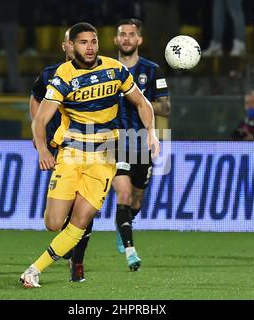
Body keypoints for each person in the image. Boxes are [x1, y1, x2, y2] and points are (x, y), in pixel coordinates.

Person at [20, 22, 159, 288]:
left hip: (105, 156)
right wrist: (42, 149)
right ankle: (64, 254)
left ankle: (34, 271)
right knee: (53, 223)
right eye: (84, 42)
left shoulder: (115, 70)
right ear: (72, 46)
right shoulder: (62, 75)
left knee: (82, 220)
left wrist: (151, 132)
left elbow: (142, 102)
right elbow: (40, 119)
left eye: (93, 41)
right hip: (71, 154)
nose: (90, 47)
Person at [29, 28, 94, 283]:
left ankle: (77, 261)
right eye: (76, 42)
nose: (80, 47)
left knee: (84, 208)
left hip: (87, 147)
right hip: (59, 145)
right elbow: (35, 99)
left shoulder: (96, 74)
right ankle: (67, 250)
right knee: (59, 215)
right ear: (66, 46)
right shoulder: (50, 74)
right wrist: (39, 136)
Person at [112, 18, 170, 271]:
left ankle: (123, 225)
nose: (126, 38)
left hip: (143, 142)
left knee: (137, 200)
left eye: (131, 34)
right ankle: (130, 250)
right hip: (114, 142)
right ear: (116, 39)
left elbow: (166, 107)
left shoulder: (152, 70)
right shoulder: (106, 70)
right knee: (123, 194)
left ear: (139, 40)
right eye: (122, 34)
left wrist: (140, 100)